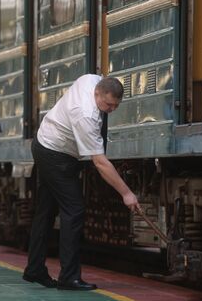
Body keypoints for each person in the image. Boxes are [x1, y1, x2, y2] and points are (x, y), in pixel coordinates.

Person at [22, 74, 141, 291]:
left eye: (115, 106)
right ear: (97, 93)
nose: (110, 110)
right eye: (107, 105)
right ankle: (68, 278)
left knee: (46, 211)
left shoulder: (91, 79)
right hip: (55, 154)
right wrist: (126, 193)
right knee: (74, 210)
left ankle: (34, 269)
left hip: (46, 145)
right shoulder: (85, 115)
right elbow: (100, 163)